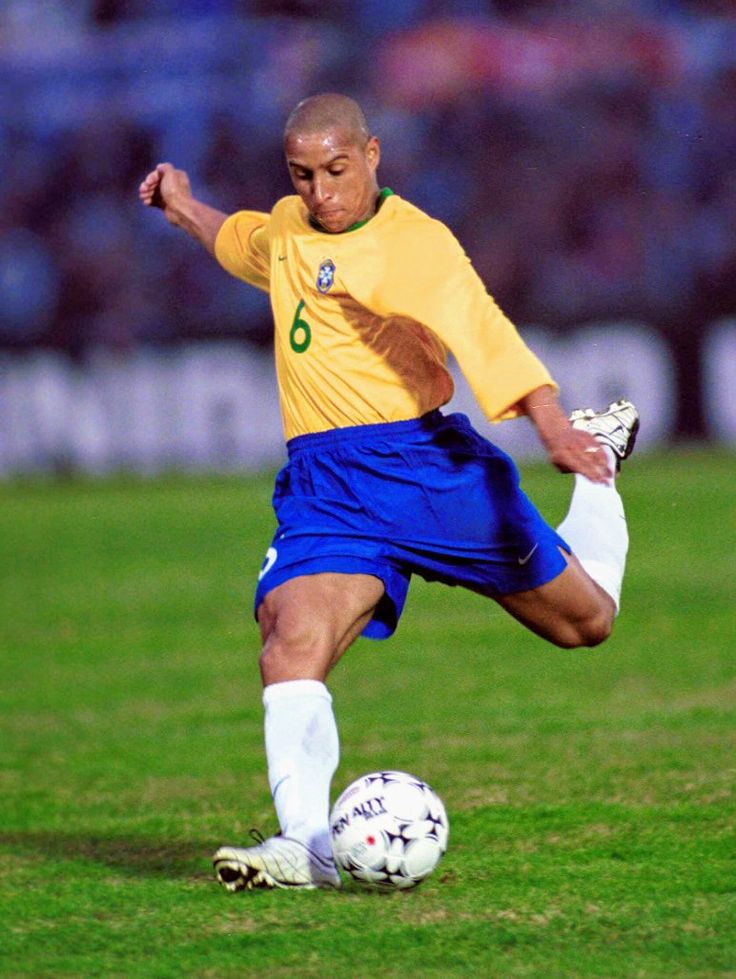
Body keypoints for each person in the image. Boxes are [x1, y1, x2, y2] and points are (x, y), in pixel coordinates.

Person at [139, 93, 639, 891]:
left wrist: (552, 428)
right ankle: (305, 845)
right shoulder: (290, 227)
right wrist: (182, 204)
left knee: (587, 623)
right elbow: (241, 243)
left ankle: (603, 464)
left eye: (336, 171)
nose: (321, 192)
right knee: (289, 637)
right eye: (302, 176)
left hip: (426, 470)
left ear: (373, 155)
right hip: (327, 489)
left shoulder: (416, 244)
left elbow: (484, 332)